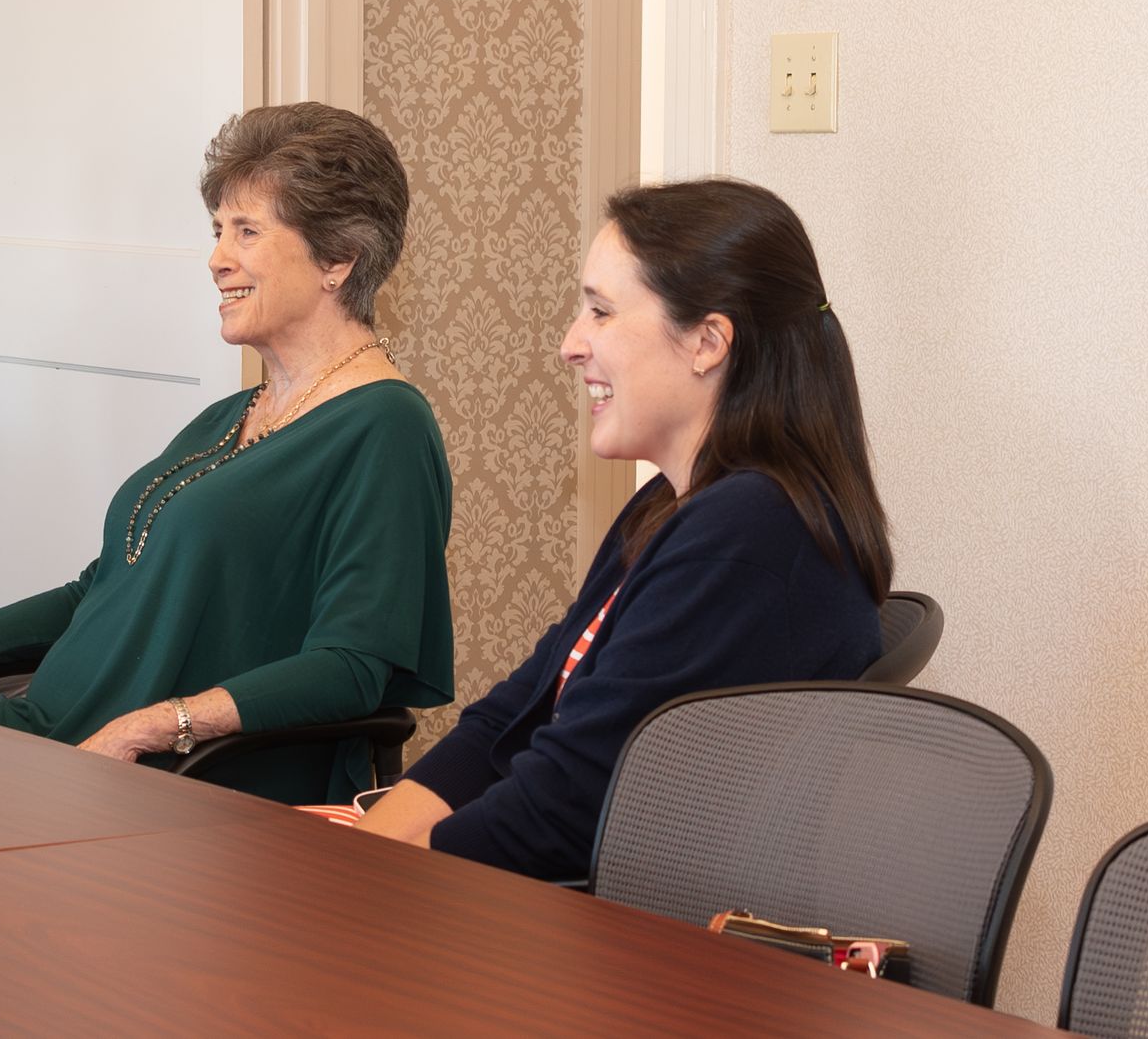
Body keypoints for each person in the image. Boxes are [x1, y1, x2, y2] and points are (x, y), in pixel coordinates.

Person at [0, 102, 454, 805]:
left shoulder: (384, 425)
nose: (216, 259)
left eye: (247, 232)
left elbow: (351, 667)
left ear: (338, 259)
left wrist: (158, 726)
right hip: (50, 730)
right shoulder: (231, 417)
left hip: (175, 774)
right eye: (217, 231)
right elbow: (101, 587)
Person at [334, 178, 887, 881]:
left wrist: (386, 887)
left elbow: (568, 805)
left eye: (600, 311)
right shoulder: (669, 505)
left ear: (708, 342)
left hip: (638, 951)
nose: (570, 344)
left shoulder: (750, 535)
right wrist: (363, 859)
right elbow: (510, 718)